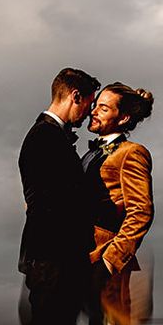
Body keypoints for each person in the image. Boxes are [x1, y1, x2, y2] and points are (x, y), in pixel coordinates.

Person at [17, 67, 101, 273]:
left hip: (52, 257)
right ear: (76, 96)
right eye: (89, 104)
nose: (89, 113)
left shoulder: (48, 134)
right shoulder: (45, 136)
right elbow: (55, 201)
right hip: (54, 258)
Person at [81, 83, 155, 284]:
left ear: (123, 118)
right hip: (80, 261)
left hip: (104, 265)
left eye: (103, 109)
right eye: (95, 105)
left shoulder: (132, 152)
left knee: (109, 317)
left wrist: (109, 262)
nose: (93, 112)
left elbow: (141, 211)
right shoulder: (89, 154)